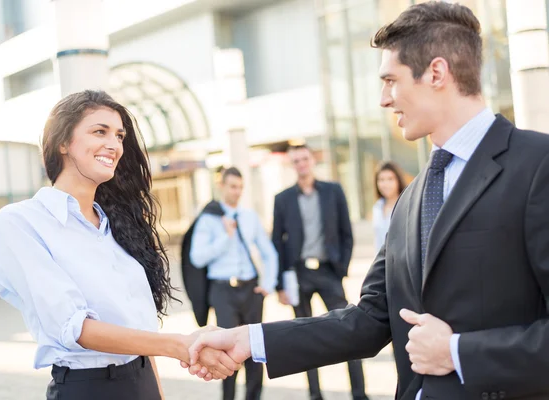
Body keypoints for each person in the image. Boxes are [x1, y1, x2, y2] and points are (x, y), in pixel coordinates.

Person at [185, 2, 549, 399]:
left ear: (436, 73)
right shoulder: (412, 197)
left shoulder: (537, 165)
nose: (383, 99)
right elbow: (370, 318)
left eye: (391, 80)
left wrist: (458, 353)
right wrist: (249, 340)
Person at [0, 90, 239, 400]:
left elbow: (139, 336)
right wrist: (182, 345)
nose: (114, 145)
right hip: (88, 389)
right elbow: (76, 328)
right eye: (99, 132)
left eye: (119, 135)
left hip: (142, 379)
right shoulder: (21, 222)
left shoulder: (118, 227)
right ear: (63, 142)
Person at [271, 144, 369, 400]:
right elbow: (277, 243)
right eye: (296, 161)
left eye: (305, 159)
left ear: (313, 160)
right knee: (304, 338)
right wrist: (280, 284)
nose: (301, 164)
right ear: (292, 165)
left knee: (349, 331)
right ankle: (315, 395)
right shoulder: (282, 199)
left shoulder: (333, 191)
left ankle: (359, 394)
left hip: (328, 272)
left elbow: (346, 232)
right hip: (299, 274)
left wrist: (341, 269)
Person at [189, 166, 278, 400]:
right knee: (227, 351)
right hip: (222, 290)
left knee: (256, 350)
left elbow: (269, 252)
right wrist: (224, 236)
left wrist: (268, 284)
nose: (237, 192)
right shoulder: (208, 219)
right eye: (232, 186)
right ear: (222, 186)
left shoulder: (249, 216)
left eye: (240, 187)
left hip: (251, 289)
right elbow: (196, 257)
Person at [372, 161, 406, 251]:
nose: (385, 184)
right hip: (382, 262)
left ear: (398, 180)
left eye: (390, 179)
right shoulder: (377, 207)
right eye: (381, 180)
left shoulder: (406, 205)